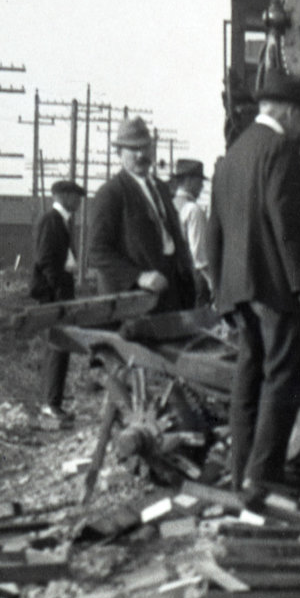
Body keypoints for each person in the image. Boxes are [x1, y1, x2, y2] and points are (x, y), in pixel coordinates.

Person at [208, 68, 300, 496]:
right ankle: (264, 477)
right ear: (290, 111)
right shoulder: (279, 150)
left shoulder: (232, 155)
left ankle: (242, 471)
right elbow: (286, 222)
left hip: (239, 288)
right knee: (282, 377)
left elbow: (214, 230)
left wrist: (220, 290)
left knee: (247, 377)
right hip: (275, 287)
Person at [85, 116, 194, 314]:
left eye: (145, 147)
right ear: (119, 152)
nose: (141, 154)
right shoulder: (111, 193)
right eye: (133, 149)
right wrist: (138, 277)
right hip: (132, 302)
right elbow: (97, 251)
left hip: (169, 295)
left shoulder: (161, 188)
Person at [28, 177, 83, 419]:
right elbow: (47, 260)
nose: (79, 201)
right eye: (76, 196)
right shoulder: (51, 220)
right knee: (57, 346)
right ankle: (51, 404)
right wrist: (59, 295)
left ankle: (52, 402)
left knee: (60, 346)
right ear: (65, 196)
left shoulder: (61, 221)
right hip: (54, 294)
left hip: (59, 291)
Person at [167, 158, 212, 304]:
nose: (201, 187)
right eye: (199, 182)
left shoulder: (169, 206)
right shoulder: (194, 210)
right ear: (189, 180)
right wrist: (212, 282)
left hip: (173, 278)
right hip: (195, 279)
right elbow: (199, 256)